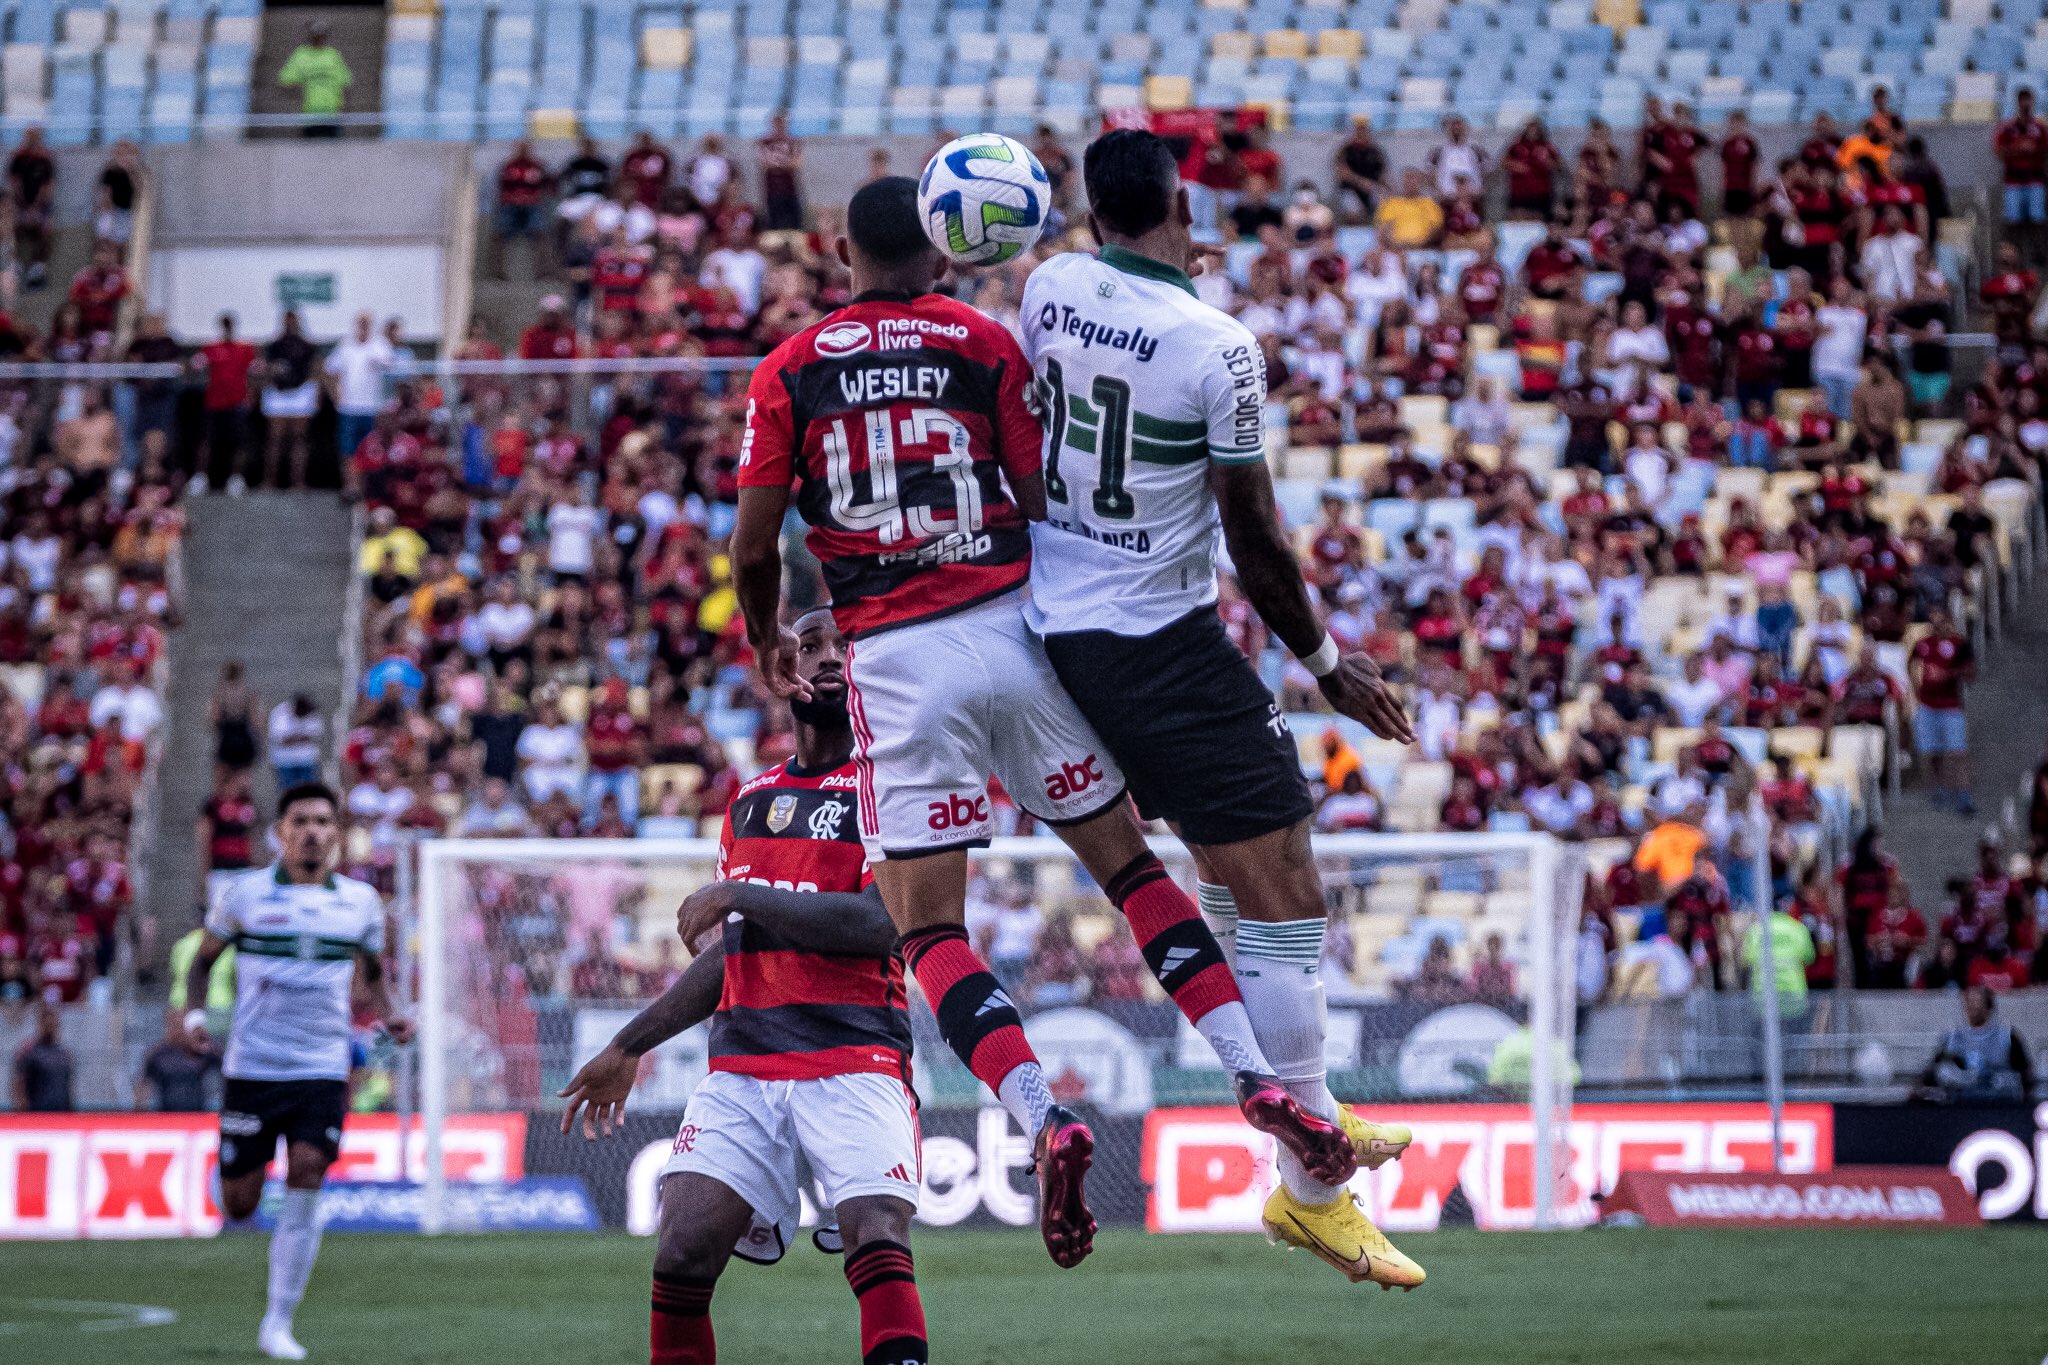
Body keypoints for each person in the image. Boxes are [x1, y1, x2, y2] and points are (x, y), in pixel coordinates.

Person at [730, 175, 1351, 1271]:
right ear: (942, 247)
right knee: (1130, 871)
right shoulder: (981, 339)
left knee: (926, 932)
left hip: (894, 660)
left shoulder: (787, 370)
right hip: (1016, 635)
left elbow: (751, 539)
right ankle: (1257, 1078)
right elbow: (1036, 487)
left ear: (836, 252)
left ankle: (1040, 1120)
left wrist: (766, 632)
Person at [1020, 128, 1422, 1288]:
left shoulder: (1048, 286)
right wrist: (1325, 657)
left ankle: (1313, 1109)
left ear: (1092, 210)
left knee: (1222, 864)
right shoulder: (1218, 346)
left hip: (1058, 622)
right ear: (1180, 203)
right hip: (1156, 640)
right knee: (1285, 880)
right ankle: (1313, 1188)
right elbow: (1250, 534)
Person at [560, 613, 928, 1365]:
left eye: (843, 649)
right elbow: (731, 952)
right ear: (780, 673)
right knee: (681, 1253)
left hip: (854, 1058)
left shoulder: (894, 785)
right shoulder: (749, 800)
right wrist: (629, 1045)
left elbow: (879, 924)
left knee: (878, 1231)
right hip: (744, 1067)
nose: (829, 660)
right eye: (811, 648)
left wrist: (742, 894)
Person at [181, 783, 410, 1361]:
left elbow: (374, 975)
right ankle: (245, 1189)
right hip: (253, 1068)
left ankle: (278, 1320)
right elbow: (205, 962)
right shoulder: (244, 895)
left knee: (309, 1169)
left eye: (323, 822)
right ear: (281, 831)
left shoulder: (359, 904)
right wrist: (193, 1014)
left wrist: (389, 1017)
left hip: (321, 1067)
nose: (312, 831)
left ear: (336, 834)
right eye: (301, 820)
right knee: (239, 1204)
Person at [1907, 605, 1975, 814]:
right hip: (1927, 705)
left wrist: (1948, 675)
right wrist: (1916, 687)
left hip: (1950, 706)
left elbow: (1970, 673)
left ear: (1948, 620)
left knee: (1958, 751)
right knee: (1932, 752)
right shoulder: (1923, 644)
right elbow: (1911, 664)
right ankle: (1939, 788)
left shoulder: (1960, 644)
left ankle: (1963, 794)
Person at [1916, 984, 2033, 1103]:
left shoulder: (2008, 1036)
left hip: (1999, 1103)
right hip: (1961, 1105)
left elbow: (2025, 1073)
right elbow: (1932, 1070)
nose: (1972, 1006)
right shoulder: (1951, 1038)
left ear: (1989, 1007)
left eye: (1977, 1001)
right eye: (1969, 1001)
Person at [199, 313, 257, 493]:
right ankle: (201, 478)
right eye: (225, 326)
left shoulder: (244, 349)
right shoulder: (210, 348)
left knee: (239, 443)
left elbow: (255, 373)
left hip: (237, 402)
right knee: (208, 442)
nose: (228, 329)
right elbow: (194, 367)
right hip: (215, 403)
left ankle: (236, 478)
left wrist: (251, 395)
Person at [260, 310, 319, 488]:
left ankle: (298, 482)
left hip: (300, 392)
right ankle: (270, 480)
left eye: (294, 321)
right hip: (278, 393)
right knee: (275, 439)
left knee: (299, 438)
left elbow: (315, 369)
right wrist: (272, 371)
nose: (290, 324)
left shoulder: (306, 346)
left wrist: (316, 394)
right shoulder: (274, 346)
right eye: (287, 321)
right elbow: (265, 368)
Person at [325, 312, 393, 463]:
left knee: (372, 449)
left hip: (372, 407)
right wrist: (334, 394)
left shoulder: (380, 344)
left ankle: (367, 485)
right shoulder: (345, 345)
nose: (363, 326)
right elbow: (329, 369)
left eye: (366, 323)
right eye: (360, 323)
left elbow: (389, 367)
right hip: (349, 406)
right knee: (348, 450)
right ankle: (351, 485)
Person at [137, 1005, 223, 1111]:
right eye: (174, 1024)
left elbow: (223, 1066)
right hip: (167, 1115)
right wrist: (140, 1111)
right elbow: (144, 1085)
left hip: (197, 1115)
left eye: (181, 1025)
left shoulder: (201, 1051)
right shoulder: (157, 1054)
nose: (178, 1029)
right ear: (167, 1025)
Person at [278, 21, 351, 137]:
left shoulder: (333, 55)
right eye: (316, 34)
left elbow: (344, 82)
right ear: (310, 35)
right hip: (310, 114)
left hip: (332, 114)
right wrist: (302, 90)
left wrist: (342, 104)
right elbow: (286, 80)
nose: (319, 38)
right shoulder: (300, 54)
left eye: (322, 35)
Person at [11, 1003, 73, 1111]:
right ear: (40, 1024)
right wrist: (22, 1110)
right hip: (37, 1113)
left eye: (53, 1024)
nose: (50, 1027)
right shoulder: (30, 1052)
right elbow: (19, 1083)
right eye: (46, 1024)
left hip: (62, 1113)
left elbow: (66, 1087)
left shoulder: (63, 1054)